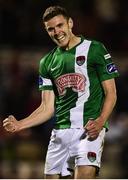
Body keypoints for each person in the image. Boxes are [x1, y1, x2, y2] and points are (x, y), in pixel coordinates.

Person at [3, 5, 119, 179]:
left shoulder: (95, 49)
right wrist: (20, 124)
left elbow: (111, 93)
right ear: (46, 31)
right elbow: (46, 108)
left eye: (60, 25)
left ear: (70, 23)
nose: (57, 32)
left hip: (88, 131)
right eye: (51, 29)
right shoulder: (47, 63)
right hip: (60, 133)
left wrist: (101, 121)